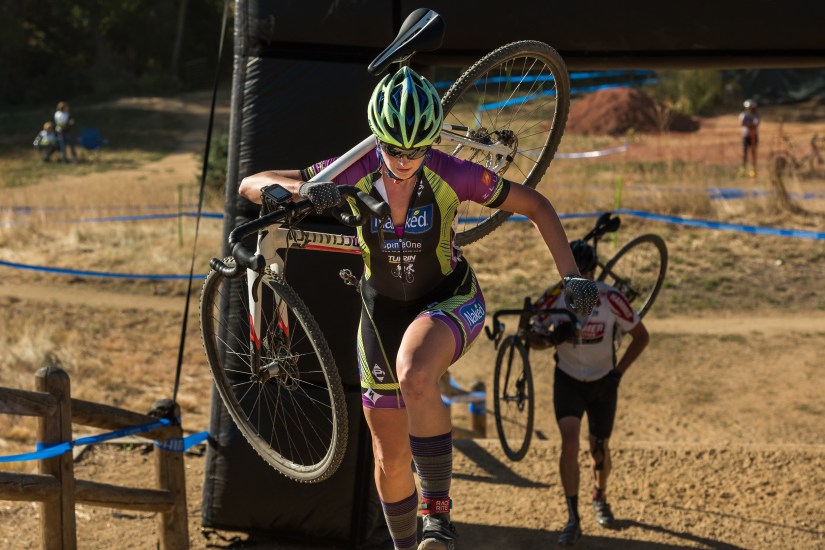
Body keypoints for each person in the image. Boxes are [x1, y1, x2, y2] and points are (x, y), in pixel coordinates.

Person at [238, 67, 598, 550]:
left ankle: (438, 518)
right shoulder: (353, 170)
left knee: (415, 372)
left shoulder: (454, 172)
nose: (405, 160)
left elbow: (535, 205)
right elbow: (250, 183)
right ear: (376, 140)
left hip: (449, 299)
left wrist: (570, 273)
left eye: (418, 149)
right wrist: (304, 192)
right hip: (380, 313)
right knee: (389, 457)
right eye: (393, 149)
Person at [529, 239, 649, 546]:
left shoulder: (610, 298)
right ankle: (573, 517)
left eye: (582, 273)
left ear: (593, 272)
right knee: (569, 443)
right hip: (567, 380)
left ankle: (600, 495)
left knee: (599, 448)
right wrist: (552, 339)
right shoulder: (552, 299)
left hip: (603, 382)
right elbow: (532, 339)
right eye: (570, 273)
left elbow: (641, 336)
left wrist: (617, 374)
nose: (576, 280)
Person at [739, 99, 760, 178]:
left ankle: (753, 169)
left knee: (753, 153)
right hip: (745, 135)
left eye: (751, 107)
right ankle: (743, 169)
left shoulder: (756, 115)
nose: (749, 109)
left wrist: (747, 124)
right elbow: (742, 123)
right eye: (748, 107)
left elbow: (755, 125)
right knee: (744, 153)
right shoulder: (743, 114)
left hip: (754, 136)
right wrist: (750, 125)